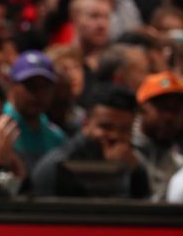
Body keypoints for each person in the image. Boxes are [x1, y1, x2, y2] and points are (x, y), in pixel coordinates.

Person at [31, 83, 150, 199]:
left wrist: (134, 172)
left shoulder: (133, 166)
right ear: (86, 124)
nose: (115, 135)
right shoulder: (57, 166)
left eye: (124, 129)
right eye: (106, 127)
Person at [3, 51, 66, 170]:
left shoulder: (56, 137)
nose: (38, 94)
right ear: (12, 85)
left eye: (45, 87)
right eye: (30, 86)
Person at [132, 72, 183, 200]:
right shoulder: (124, 146)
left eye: (176, 109)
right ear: (142, 108)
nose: (169, 117)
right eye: (162, 108)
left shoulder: (177, 159)